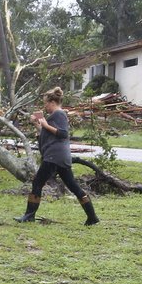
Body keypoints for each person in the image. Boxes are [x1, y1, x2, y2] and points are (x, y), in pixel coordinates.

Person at [15, 86, 100, 225]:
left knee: (37, 182)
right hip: (60, 156)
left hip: (54, 156)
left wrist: (45, 124)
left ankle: (29, 216)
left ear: (52, 102)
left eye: (46, 103)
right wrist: (38, 124)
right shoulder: (55, 116)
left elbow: (63, 133)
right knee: (73, 186)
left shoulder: (59, 114)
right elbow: (47, 134)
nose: (45, 106)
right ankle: (92, 217)